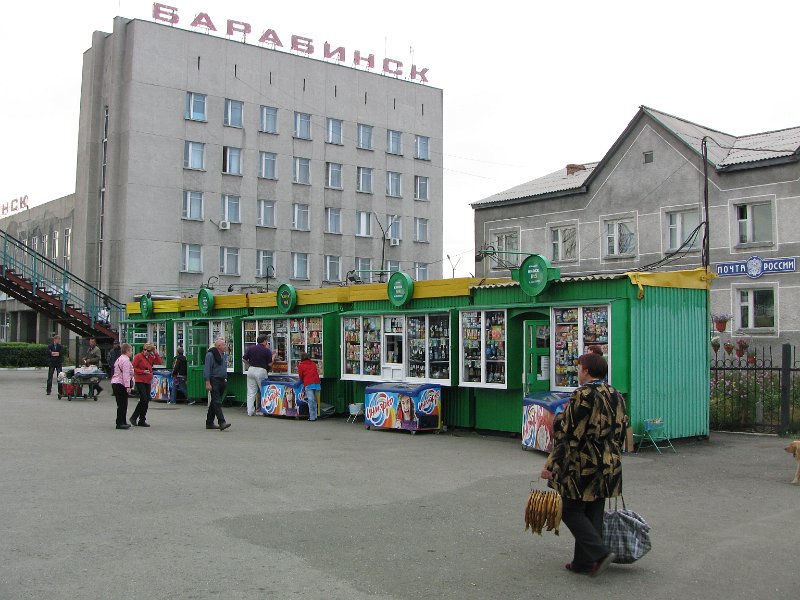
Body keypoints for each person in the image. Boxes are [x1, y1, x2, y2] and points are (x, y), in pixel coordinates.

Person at [540, 351, 627, 578]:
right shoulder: (615, 393)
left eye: (579, 368)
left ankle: (599, 553)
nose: (578, 372)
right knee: (593, 510)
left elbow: (570, 433)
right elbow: (621, 429)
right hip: (609, 461)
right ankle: (583, 563)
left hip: (583, 462)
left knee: (570, 509)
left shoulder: (583, 394)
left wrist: (551, 464)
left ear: (586, 371)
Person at [130, 342, 162, 427]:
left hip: (147, 380)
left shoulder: (151, 357)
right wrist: (142, 371)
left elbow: (159, 361)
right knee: (144, 398)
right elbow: (133, 367)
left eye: (148, 350)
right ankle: (134, 417)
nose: (146, 351)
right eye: (145, 350)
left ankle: (142, 419)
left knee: (147, 399)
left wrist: (155, 353)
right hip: (140, 379)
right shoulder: (138, 356)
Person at [204, 338, 231, 430]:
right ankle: (222, 422)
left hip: (222, 380)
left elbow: (224, 367)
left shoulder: (224, 355)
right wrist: (207, 382)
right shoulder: (210, 355)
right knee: (217, 401)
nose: (225, 346)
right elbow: (207, 369)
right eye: (223, 345)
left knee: (214, 402)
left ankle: (209, 423)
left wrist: (225, 378)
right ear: (219, 346)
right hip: (214, 379)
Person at [242, 334, 273, 416]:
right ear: (265, 341)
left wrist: (249, 365)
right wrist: (273, 357)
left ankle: (250, 411)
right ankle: (265, 410)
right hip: (261, 371)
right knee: (264, 391)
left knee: (251, 392)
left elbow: (244, 359)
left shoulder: (251, 348)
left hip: (251, 370)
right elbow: (270, 364)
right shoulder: (266, 350)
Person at [111, 343, 134, 429]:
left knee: (120, 404)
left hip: (115, 382)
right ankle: (120, 423)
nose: (131, 352)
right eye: (130, 350)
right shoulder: (126, 360)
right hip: (121, 383)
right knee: (123, 404)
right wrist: (128, 386)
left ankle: (121, 421)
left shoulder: (119, 359)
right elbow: (126, 374)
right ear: (127, 351)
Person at [296, 352, 320, 421]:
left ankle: (312, 417)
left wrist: (301, 380)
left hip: (308, 383)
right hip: (317, 382)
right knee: (315, 400)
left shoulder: (301, 365)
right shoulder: (313, 364)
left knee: (310, 400)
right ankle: (315, 416)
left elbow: (301, 376)